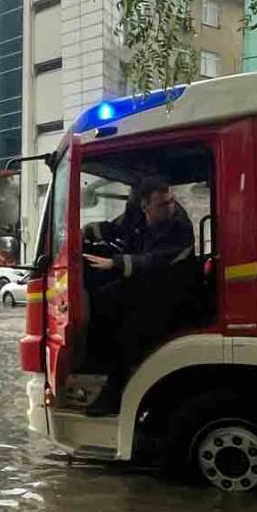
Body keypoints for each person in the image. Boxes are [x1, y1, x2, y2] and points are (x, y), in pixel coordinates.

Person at [82, 176, 196, 417]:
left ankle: (115, 391)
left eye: (171, 201)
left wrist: (116, 263)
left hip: (171, 290)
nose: (170, 207)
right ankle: (98, 357)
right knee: (104, 298)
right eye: (163, 204)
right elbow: (115, 227)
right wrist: (84, 231)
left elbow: (158, 260)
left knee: (131, 329)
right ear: (145, 207)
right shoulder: (135, 214)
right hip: (143, 282)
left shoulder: (180, 226)